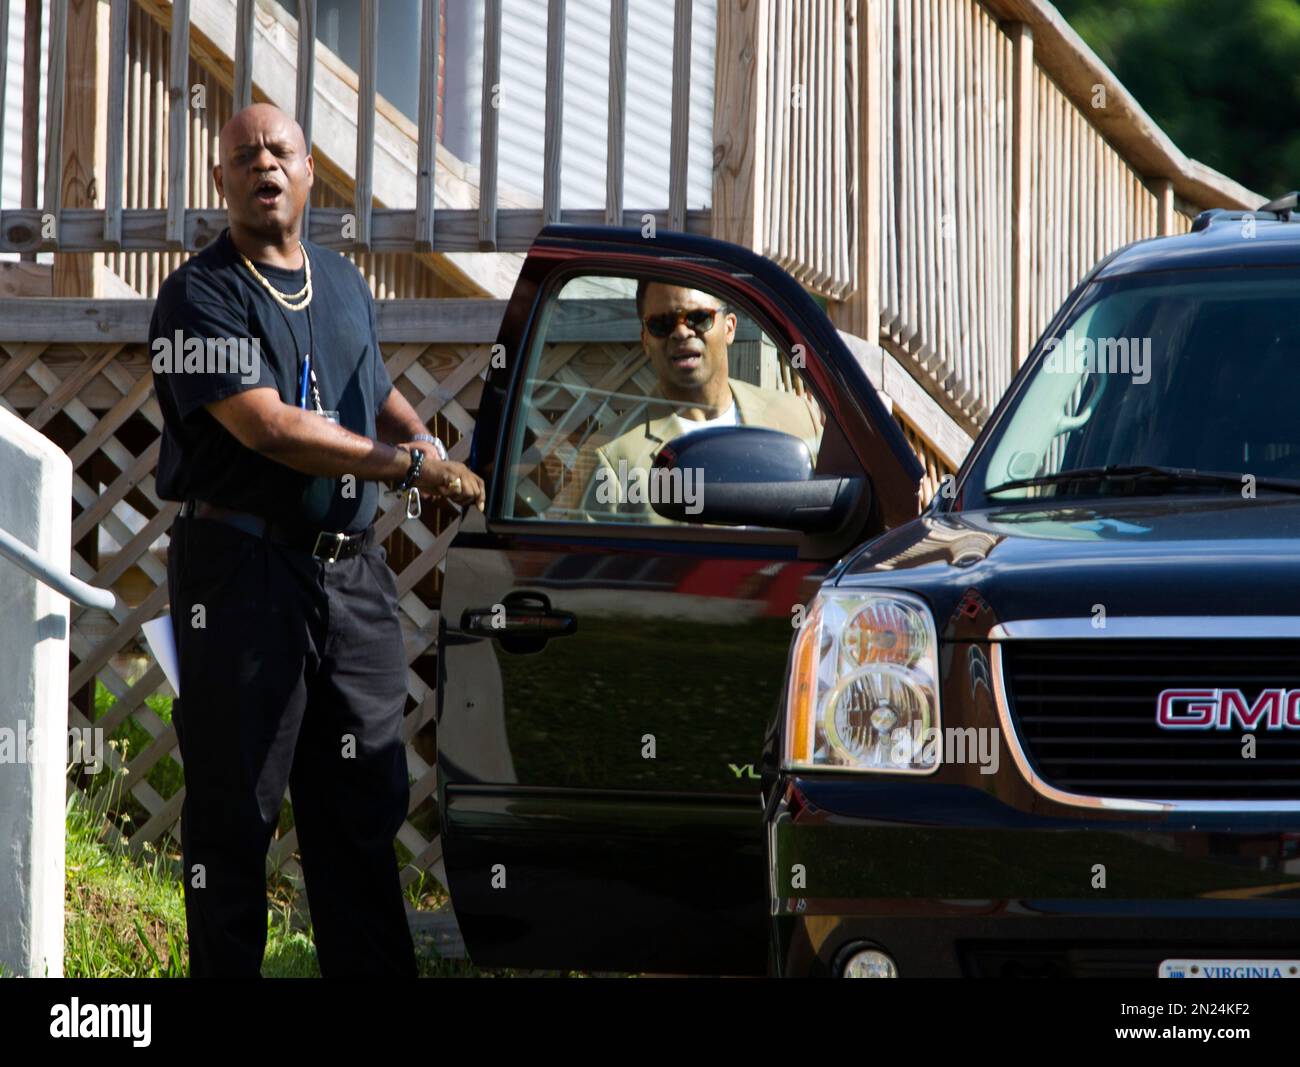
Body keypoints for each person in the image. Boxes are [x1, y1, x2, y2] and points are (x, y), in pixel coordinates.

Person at [149, 102, 484, 978]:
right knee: (236, 814)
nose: (263, 163)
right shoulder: (199, 295)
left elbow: (370, 390)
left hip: (350, 578)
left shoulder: (340, 281)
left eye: (280, 150)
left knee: (362, 806)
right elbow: (270, 428)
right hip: (242, 577)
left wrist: (428, 448)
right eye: (243, 153)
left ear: (309, 173)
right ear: (222, 180)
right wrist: (406, 472)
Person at [580, 279, 822, 520]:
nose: (681, 332)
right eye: (662, 324)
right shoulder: (613, 456)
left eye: (698, 318)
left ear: (729, 328)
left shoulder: (799, 418)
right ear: (646, 341)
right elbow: (592, 556)